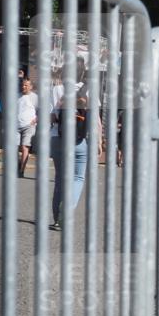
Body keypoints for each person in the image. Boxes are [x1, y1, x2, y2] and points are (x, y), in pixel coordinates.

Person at [50, 59, 90, 230]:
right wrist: (99, 141)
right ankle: (67, 209)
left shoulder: (57, 89)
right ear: (82, 72)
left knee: (60, 178)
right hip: (80, 139)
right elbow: (94, 119)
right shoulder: (88, 90)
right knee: (78, 177)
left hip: (58, 137)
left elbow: (50, 116)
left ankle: (58, 220)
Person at [17, 77, 38, 177]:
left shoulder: (35, 97)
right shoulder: (17, 96)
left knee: (25, 147)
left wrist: (36, 119)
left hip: (29, 126)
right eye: (22, 84)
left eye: (26, 85)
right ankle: (18, 164)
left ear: (31, 87)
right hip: (16, 125)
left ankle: (21, 171)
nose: (23, 86)